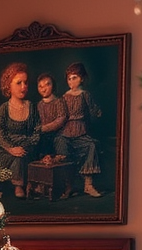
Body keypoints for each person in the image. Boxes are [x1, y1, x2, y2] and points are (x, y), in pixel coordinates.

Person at [0, 63, 38, 199]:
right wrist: (10, 148)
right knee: (14, 157)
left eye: (26, 83)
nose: (23, 87)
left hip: (26, 146)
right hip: (5, 147)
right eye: (19, 83)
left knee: (21, 155)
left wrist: (26, 144)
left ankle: (17, 187)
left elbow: (37, 130)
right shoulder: (4, 108)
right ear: (8, 85)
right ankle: (16, 187)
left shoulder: (31, 106)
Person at [58, 61, 102, 198]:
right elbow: (60, 116)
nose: (71, 81)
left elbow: (94, 112)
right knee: (60, 143)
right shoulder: (64, 97)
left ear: (81, 78)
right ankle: (68, 186)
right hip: (66, 132)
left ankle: (88, 185)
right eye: (69, 79)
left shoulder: (85, 95)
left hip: (81, 132)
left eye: (75, 78)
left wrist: (96, 115)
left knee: (92, 145)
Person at [36, 73, 67, 146]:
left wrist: (44, 128)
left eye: (47, 85)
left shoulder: (59, 101)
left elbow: (61, 119)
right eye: (40, 86)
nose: (43, 89)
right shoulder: (39, 105)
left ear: (53, 86)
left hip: (58, 135)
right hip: (42, 136)